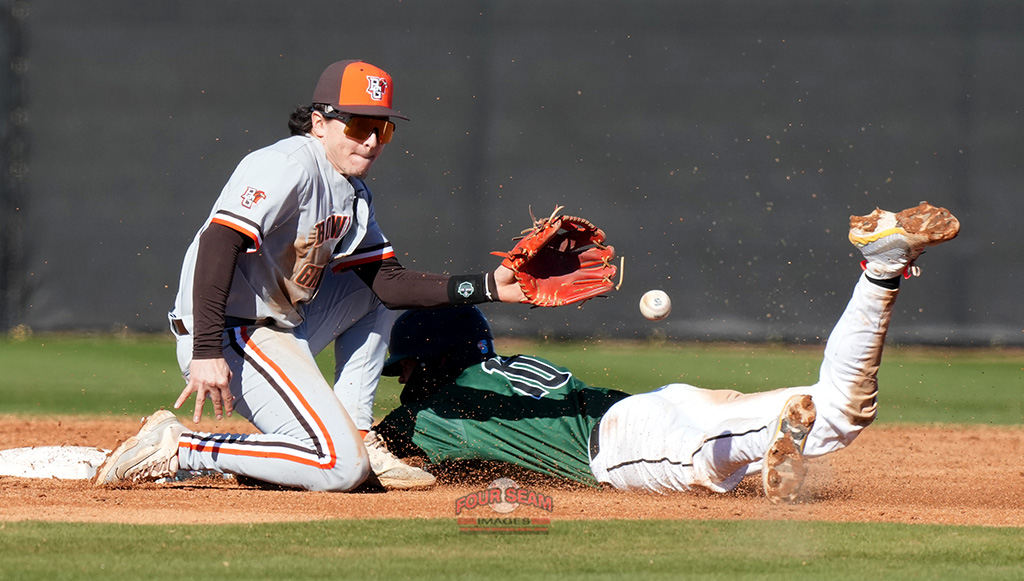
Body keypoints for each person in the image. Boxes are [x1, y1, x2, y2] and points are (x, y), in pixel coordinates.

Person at [92, 60, 542, 492]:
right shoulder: (288, 164)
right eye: (358, 125)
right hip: (229, 334)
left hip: (278, 328)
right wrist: (206, 350)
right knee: (340, 469)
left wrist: (488, 287)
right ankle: (182, 446)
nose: (370, 141)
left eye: (381, 129)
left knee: (373, 297)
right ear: (319, 123)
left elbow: (389, 282)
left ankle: (356, 430)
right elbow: (218, 242)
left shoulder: (351, 191)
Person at [374, 203, 960, 502]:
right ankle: (881, 272)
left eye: (405, 371)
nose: (405, 384)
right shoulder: (492, 376)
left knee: (702, 465)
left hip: (625, 447)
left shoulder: (432, 414)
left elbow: (360, 458)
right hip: (656, 404)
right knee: (840, 411)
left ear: (427, 362)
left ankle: (769, 437)